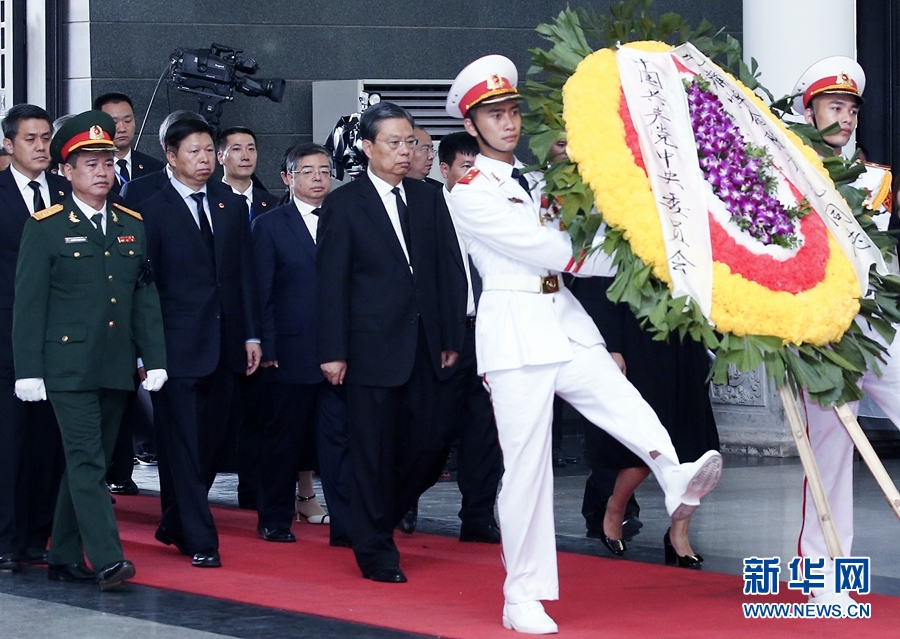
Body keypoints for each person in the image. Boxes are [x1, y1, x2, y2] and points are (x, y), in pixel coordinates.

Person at [445, 55, 723, 634]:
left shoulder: (540, 181)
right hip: (515, 329)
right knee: (527, 470)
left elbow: (588, 227)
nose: (508, 123)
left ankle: (674, 474)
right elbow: (549, 249)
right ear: (471, 126)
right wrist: (637, 257)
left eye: (513, 111)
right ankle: (521, 595)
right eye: (493, 115)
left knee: (624, 402)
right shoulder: (469, 193)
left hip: (563, 317)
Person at [12, 110, 168, 589]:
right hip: (67, 367)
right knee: (86, 460)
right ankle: (107, 557)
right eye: (90, 163)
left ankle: (62, 554)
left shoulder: (130, 223)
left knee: (89, 460)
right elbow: (29, 304)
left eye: (107, 162)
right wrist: (28, 370)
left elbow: (143, 297)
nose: (102, 171)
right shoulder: (46, 226)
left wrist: (154, 358)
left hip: (115, 364)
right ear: (67, 171)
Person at [316, 101, 465, 583]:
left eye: (411, 142)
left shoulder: (428, 198)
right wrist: (333, 351)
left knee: (431, 443)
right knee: (372, 452)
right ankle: (375, 548)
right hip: (369, 349)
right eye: (395, 142)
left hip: (425, 345)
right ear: (367, 147)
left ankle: (376, 519)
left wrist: (450, 334)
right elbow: (330, 284)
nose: (406, 151)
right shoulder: (343, 204)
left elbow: (448, 270)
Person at [791, 56, 899, 604]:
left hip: (874, 321)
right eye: (835, 107)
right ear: (809, 112)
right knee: (829, 450)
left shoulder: (877, 180)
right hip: (819, 330)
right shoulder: (787, 177)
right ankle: (823, 574)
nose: (847, 118)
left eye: (852, 109)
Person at [140, 117, 261, 568]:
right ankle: (200, 538)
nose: (205, 159)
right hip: (174, 348)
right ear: (171, 157)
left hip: (226, 344)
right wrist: (145, 350)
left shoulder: (230, 204)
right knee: (184, 444)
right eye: (194, 151)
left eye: (210, 150)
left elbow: (244, 275)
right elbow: (144, 286)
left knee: (211, 444)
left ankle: (174, 521)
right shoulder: (150, 209)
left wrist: (251, 333)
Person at [251, 142, 352, 546]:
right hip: (290, 353)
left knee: (338, 440)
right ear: (287, 178)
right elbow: (262, 292)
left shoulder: (346, 218)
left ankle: (346, 523)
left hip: (340, 352)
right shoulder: (270, 225)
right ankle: (274, 518)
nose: (318, 178)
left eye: (324, 171)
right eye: (307, 171)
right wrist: (267, 345)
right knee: (283, 440)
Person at [0, 104, 69, 573]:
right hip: (6, 338)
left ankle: (36, 536)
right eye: (31, 139)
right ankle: (6, 538)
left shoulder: (66, 191)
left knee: (49, 443)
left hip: (61, 340)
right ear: (9, 144)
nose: (42, 147)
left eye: (46, 138)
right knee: (10, 443)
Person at [436, 130, 502, 544]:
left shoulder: (498, 209)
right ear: (444, 169)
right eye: (466, 167)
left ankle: (477, 515)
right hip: (446, 336)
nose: (475, 175)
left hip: (490, 332)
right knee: (432, 429)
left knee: (485, 430)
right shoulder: (428, 210)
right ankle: (403, 504)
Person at [92, 93, 165, 193]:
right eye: (114, 123)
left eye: (127, 121)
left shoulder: (154, 167)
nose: (122, 129)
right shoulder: (91, 170)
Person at [217, 126, 280, 219]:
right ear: (221, 157)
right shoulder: (209, 201)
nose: (246, 157)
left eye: (251, 149)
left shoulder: (274, 204)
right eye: (237, 149)